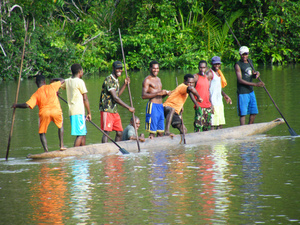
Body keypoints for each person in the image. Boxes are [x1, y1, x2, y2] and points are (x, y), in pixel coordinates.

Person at [12, 75, 66, 152]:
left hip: (44, 113)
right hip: (56, 111)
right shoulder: (52, 86)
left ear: (36, 83)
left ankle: (46, 151)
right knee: (60, 126)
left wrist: (16, 105)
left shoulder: (36, 94)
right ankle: (61, 145)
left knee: (42, 132)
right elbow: (63, 80)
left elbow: (27, 105)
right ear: (44, 82)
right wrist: (53, 79)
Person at [99, 61, 135, 143]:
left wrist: (125, 84)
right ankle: (105, 150)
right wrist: (128, 107)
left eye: (121, 69)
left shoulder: (116, 80)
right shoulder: (109, 80)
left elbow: (117, 94)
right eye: (117, 69)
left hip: (114, 110)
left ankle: (117, 149)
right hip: (107, 109)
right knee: (107, 132)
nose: (119, 70)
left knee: (119, 132)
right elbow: (115, 98)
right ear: (113, 69)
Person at [60, 63, 91, 147]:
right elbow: (85, 98)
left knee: (83, 133)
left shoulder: (67, 81)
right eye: (82, 71)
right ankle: (75, 153)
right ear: (80, 71)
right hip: (78, 112)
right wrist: (89, 113)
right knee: (80, 135)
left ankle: (82, 152)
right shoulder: (80, 82)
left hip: (73, 112)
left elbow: (59, 84)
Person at [235, 46, 264, 125]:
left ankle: (250, 127)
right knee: (243, 114)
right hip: (242, 92)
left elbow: (252, 73)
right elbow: (240, 80)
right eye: (242, 55)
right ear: (240, 55)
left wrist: (257, 73)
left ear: (248, 54)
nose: (244, 56)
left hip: (250, 91)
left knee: (254, 111)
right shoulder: (238, 64)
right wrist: (255, 84)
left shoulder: (250, 62)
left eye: (246, 54)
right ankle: (243, 129)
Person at [142, 60, 170, 139]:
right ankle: (151, 150)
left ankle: (160, 151)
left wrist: (165, 93)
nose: (156, 70)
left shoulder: (159, 79)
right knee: (152, 134)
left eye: (157, 68)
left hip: (160, 106)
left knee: (161, 133)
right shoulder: (147, 80)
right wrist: (157, 93)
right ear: (150, 68)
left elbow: (160, 96)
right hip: (152, 106)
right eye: (154, 68)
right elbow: (143, 96)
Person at [207, 56, 232, 130]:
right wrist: (210, 103)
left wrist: (225, 95)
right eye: (215, 64)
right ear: (211, 64)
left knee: (220, 123)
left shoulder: (218, 73)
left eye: (218, 64)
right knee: (213, 123)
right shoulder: (210, 74)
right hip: (213, 102)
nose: (217, 66)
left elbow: (218, 88)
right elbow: (207, 89)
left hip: (219, 101)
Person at [193, 60, 213, 132]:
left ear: (206, 68)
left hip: (208, 107)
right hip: (200, 107)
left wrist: (211, 105)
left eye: (204, 68)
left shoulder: (206, 78)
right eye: (200, 68)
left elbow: (208, 92)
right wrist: (196, 104)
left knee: (207, 128)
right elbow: (190, 91)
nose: (202, 69)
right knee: (198, 128)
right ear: (198, 68)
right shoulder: (195, 77)